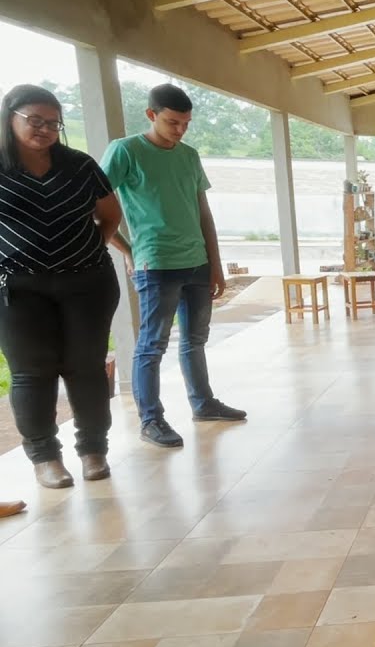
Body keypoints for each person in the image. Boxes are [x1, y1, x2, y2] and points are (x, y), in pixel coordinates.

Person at [101, 84, 246, 449]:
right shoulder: (126, 150)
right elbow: (94, 207)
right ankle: (151, 419)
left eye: (185, 123)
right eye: (172, 122)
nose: (179, 130)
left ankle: (203, 403)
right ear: (151, 115)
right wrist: (128, 250)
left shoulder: (189, 155)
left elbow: (203, 213)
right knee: (152, 344)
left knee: (195, 339)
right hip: (156, 263)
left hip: (196, 261)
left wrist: (215, 264)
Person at [0, 85, 123, 489]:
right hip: (18, 289)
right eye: (35, 120)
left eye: (53, 123)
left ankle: (93, 451)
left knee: (86, 368)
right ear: (10, 117)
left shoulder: (79, 164)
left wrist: (88, 251)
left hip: (87, 282)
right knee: (31, 374)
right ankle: (45, 459)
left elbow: (109, 213)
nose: (45, 129)